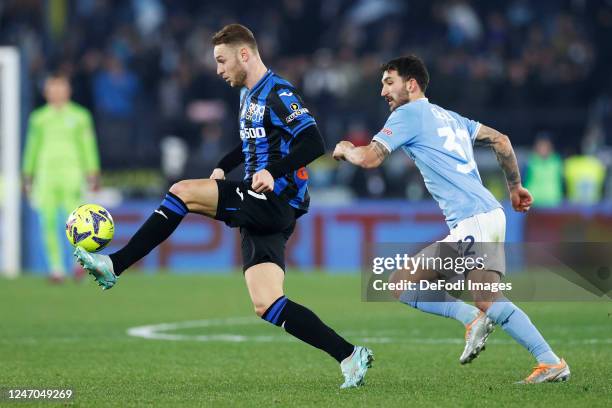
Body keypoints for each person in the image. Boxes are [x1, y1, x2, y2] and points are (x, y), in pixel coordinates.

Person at [74, 24, 373, 389]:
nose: (218, 69)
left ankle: (114, 264)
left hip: (273, 199)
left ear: (244, 54)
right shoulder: (248, 95)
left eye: (221, 60)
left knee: (182, 191)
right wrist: (223, 165)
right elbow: (252, 142)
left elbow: (314, 142)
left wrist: (272, 171)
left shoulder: (278, 92)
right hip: (266, 206)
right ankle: (349, 355)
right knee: (267, 303)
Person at [332, 55, 569, 384]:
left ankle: (548, 360)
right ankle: (479, 322)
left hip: (474, 219)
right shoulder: (451, 118)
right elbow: (502, 141)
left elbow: (370, 158)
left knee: (484, 297)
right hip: (485, 216)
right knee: (402, 283)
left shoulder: (408, 114)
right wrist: (515, 188)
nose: (383, 91)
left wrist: (346, 148)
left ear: (411, 84)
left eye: (389, 82)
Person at [22, 73, 101, 282]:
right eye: (52, 89)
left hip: (72, 175)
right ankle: (55, 268)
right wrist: (27, 173)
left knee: (76, 223)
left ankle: (78, 264)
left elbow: (88, 145)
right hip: (46, 176)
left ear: (68, 91)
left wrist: (92, 170)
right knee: (47, 222)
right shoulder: (39, 118)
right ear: (46, 92)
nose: (56, 93)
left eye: (60, 88)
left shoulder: (80, 116)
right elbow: (32, 147)